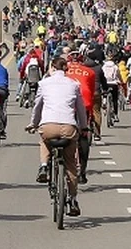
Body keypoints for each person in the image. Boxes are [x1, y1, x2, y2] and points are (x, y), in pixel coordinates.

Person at [28, 56, 89, 217]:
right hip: (69, 127)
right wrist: (83, 127)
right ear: (65, 70)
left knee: (44, 139)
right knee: (70, 165)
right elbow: (81, 109)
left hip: (48, 126)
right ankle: (73, 199)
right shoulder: (73, 84)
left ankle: (43, 166)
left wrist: (33, 124)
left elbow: (37, 106)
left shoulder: (44, 84)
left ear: (52, 68)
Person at [66, 49, 97, 184]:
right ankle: (82, 172)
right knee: (83, 134)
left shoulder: (62, 72)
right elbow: (90, 92)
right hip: (84, 103)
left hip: (66, 103)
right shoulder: (90, 72)